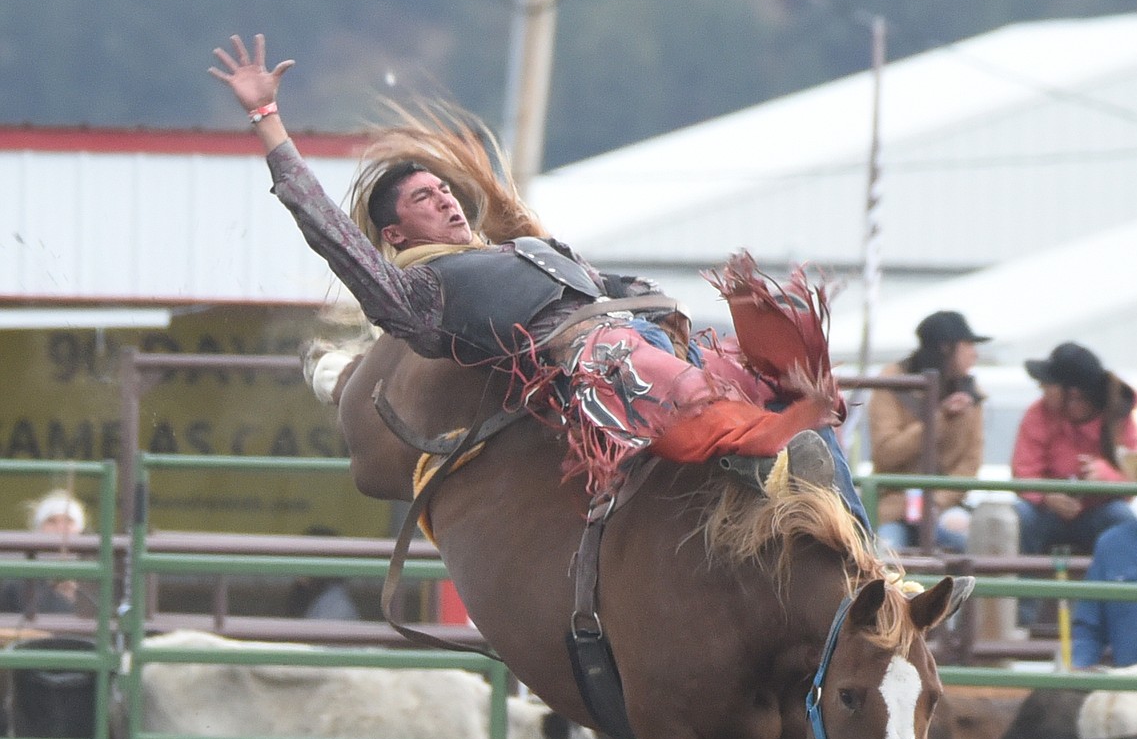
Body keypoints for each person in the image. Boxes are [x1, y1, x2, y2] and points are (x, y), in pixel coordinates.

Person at [208, 34, 869, 524]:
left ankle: (872, 566)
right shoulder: (419, 292)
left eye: (443, 189)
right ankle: (761, 464)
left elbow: (596, 279)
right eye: (422, 200)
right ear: (395, 237)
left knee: (805, 389)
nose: (444, 199)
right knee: (729, 409)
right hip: (600, 361)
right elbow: (326, 225)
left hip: (652, 332)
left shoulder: (524, 251)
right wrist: (268, 120)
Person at [867, 309, 988, 554]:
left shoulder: (971, 393)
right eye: (967, 345)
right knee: (884, 555)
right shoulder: (891, 383)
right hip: (893, 506)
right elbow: (885, 452)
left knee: (971, 547)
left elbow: (969, 465)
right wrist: (940, 419)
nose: (974, 354)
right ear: (946, 348)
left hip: (944, 507)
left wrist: (936, 501)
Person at [1011, 341, 1137, 557]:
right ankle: (1027, 590)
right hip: (1046, 514)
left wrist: (1107, 477)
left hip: (1097, 513)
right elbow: (1023, 472)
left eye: (1048, 383)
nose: (1041, 388)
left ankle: (1113, 589)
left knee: (1121, 516)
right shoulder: (1037, 413)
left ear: (1074, 394)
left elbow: (1134, 480)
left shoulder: (1119, 419)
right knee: (1020, 514)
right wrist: (1048, 496)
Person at [1072, 427, 1137, 668]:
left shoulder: (1113, 542)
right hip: (1130, 690)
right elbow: (1089, 625)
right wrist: (1079, 669)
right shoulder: (1112, 544)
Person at [0, 490, 89, 617]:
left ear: (80, 529)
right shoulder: (16, 584)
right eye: (51, 521)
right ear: (38, 530)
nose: (60, 528)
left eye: (68, 520)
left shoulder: (97, 581)